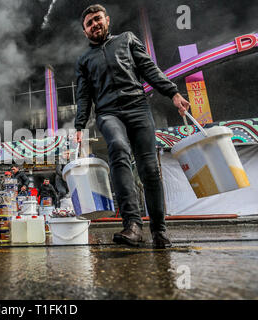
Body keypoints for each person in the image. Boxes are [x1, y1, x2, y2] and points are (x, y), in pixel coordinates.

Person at [75, 4, 191, 248]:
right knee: (118, 148)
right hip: (108, 113)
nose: (95, 24)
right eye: (89, 23)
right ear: (85, 31)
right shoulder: (84, 60)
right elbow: (84, 96)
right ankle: (133, 226)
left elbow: (149, 68)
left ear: (107, 20)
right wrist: (79, 126)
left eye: (98, 19)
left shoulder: (127, 40)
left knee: (150, 168)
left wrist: (173, 93)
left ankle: (159, 230)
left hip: (138, 108)